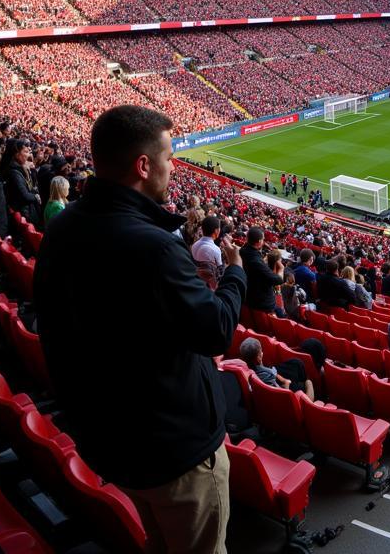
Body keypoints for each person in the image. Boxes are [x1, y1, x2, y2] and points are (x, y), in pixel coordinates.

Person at [35, 105, 246, 554]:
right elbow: (215, 332)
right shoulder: (153, 247)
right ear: (143, 165)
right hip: (176, 452)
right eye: (169, 157)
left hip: (115, 443)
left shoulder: (64, 226)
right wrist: (235, 275)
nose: (174, 166)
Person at [238, 337, 314, 400]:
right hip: (287, 396)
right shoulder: (267, 377)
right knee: (307, 382)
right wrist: (286, 383)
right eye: (261, 351)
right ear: (258, 358)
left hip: (271, 375)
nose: (262, 352)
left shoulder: (245, 371)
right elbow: (284, 396)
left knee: (296, 362)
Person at [239, 227, 283, 314]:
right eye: (263, 239)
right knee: (281, 313)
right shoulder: (255, 260)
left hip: (247, 293)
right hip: (260, 303)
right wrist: (281, 269)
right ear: (259, 241)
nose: (264, 241)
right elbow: (277, 280)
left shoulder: (242, 251)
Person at [191, 214, 223, 287]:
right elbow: (219, 272)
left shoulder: (194, 245)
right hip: (208, 287)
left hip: (194, 282)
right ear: (216, 231)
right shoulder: (215, 249)